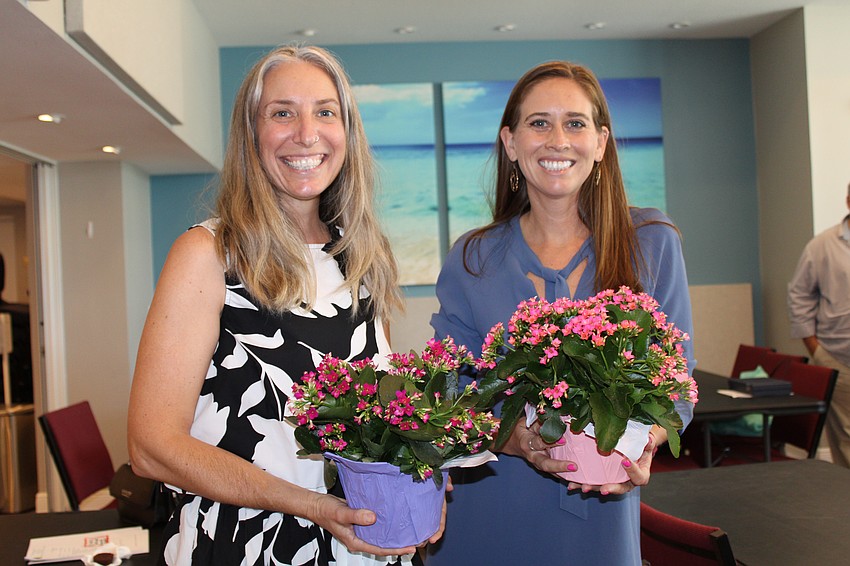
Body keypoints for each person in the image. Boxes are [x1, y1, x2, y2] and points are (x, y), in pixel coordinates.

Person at [128, 45, 432, 565]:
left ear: (347, 132)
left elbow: (375, 423)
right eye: (282, 113)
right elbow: (151, 445)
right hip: (241, 547)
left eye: (325, 112)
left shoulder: (359, 256)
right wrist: (312, 506)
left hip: (359, 548)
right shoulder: (209, 255)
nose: (307, 133)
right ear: (252, 135)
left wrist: (419, 483)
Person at [427, 61, 695, 565]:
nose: (557, 139)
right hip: (489, 512)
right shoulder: (472, 257)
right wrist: (513, 440)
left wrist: (644, 445)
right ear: (510, 143)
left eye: (575, 123)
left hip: (602, 515)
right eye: (538, 123)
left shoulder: (653, 241)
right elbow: (446, 392)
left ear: (600, 143)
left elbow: (677, 385)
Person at [787, 182, 850, 468]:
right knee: (846, 442)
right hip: (840, 359)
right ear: (848, 201)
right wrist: (815, 348)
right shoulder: (823, 245)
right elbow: (799, 294)